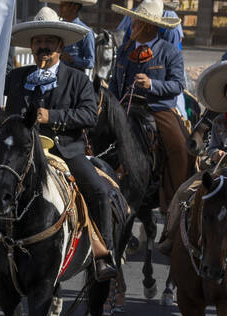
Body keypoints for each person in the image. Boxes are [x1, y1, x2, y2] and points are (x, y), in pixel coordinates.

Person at [0, 8, 117, 283]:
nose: (43, 47)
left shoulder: (77, 79)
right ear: (32, 46)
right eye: (38, 42)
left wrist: (53, 117)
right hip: (20, 154)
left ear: (60, 45)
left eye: (49, 41)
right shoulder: (16, 78)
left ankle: (102, 254)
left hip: (64, 150)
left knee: (97, 190)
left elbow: (89, 116)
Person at [108, 0, 192, 213]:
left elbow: (178, 85)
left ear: (150, 26)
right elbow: (115, 84)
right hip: (124, 107)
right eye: (133, 21)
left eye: (136, 22)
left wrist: (152, 84)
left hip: (158, 109)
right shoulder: (124, 50)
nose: (131, 26)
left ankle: (176, 204)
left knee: (181, 147)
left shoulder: (169, 52)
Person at [50, 1, 96, 74]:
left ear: (75, 8)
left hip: (74, 78)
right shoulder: (58, 28)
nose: (60, 7)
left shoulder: (85, 32)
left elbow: (90, 62)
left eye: (63, 5)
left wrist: (72, 60)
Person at [116, 1, 182, 51]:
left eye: (139, 22)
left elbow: (174, 50)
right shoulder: (135, 12)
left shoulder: (170, 18)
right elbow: (122, 36)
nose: (132, 26)